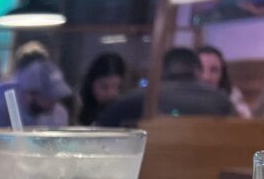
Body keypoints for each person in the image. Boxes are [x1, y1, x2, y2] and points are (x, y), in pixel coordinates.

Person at [0, 56, 73, 179]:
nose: (54, 102)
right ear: (29, 94)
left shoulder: (58, 114)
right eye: (49, 96)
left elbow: (60, 158)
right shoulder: (0, 107)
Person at [97, 47, 235, 126]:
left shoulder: (136, 99)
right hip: (209, 173)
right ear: (197, 71)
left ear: (161, 71)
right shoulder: (222, 102)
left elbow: (101, 131)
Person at [197, 45, 253, 118]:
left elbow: (247, 120)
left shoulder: (232, 94)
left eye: (214, 70)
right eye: (201, 69)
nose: (206, 77)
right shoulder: (182, 94)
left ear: (222, 74)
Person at [77, 52, 126, 126]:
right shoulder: (77, 110)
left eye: (116, 86)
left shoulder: (124, 112)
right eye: (104, 87)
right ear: (91, 86)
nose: (111, 93)